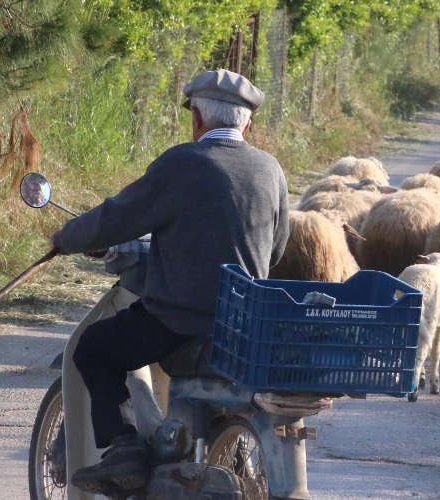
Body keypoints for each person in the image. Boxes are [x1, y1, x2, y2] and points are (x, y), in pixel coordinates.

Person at [50, 69, 290, 495]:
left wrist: (66, 239)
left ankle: (124, 448)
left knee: (95, 348)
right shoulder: (270, 170)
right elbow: (275, 249)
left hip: (178, 325)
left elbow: (117, 217)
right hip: (244, 328)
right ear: (247, 123)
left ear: (197, 119)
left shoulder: (181, 163)